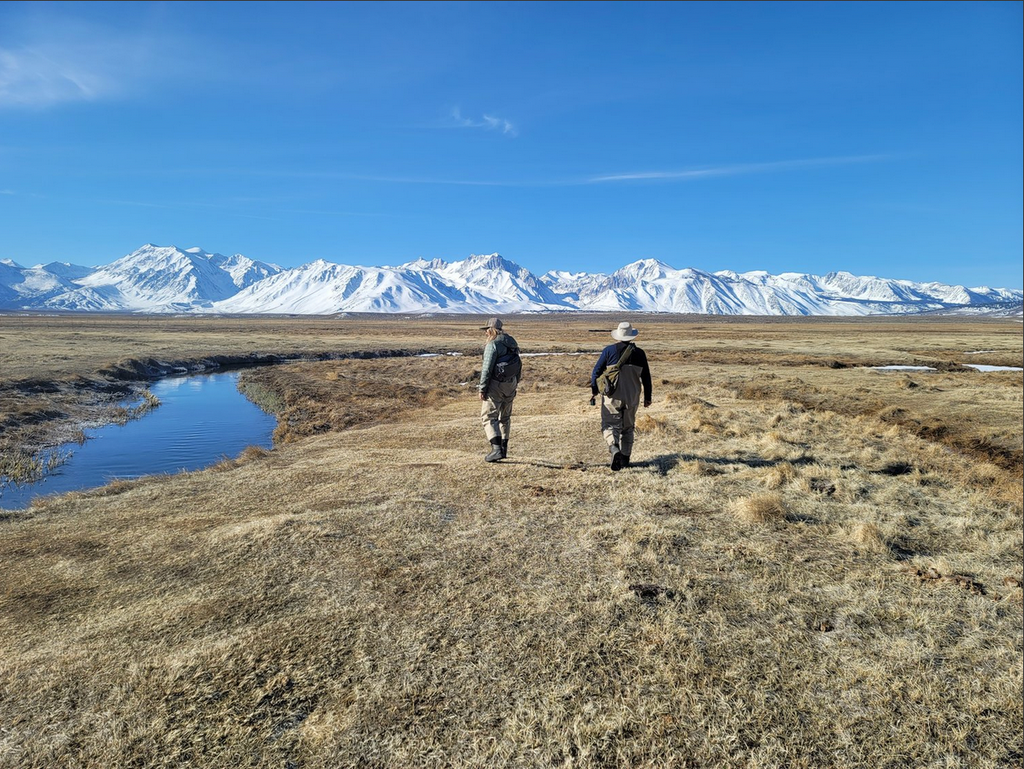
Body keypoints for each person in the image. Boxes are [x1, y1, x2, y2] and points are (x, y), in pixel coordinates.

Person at [590, 321, 652, 471]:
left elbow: (596, 372)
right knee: (628, 428)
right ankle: (625, 459)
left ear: (618, 335)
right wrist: (647, 397)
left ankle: (614, 448)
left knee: (610, 425)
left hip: (612, 396)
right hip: (632, 397)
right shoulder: (640, 353)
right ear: (631, 336)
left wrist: (594, 391)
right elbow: (646, 378)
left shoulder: (609, 351)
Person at [478, 317, 521, 462]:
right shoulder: (512, 343)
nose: (485, 334)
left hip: (496, 385)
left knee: (488, 416)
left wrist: (482, 388)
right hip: (511, 383)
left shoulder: (493, 344)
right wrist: (515, 383)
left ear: (491, 330)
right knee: (505, 417)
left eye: (486, 330)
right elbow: (518, 364)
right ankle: (504, 449)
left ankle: (496, 450)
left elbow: (487, 368)